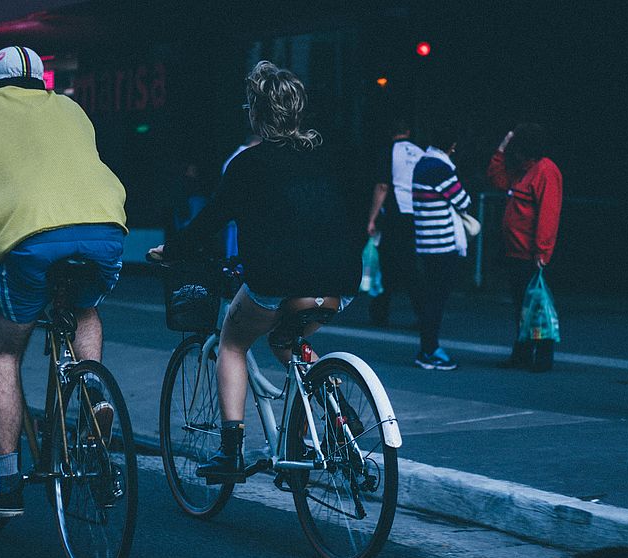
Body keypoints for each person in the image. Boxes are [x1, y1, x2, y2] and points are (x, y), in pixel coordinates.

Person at [148, 60, 361, 480]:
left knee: (232, 341)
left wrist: (171, 250)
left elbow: (211, 220)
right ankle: (337, 417)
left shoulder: (247, 163)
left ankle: (230, 451)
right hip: (338, 280)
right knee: (288, 344)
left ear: (256, 112)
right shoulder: (329, 154)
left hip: (277, 280)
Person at [0, 46, 128, 516]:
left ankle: (7, 481)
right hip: (104, 233)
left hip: (31, 240)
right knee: (85, 308)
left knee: (3, 351)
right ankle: (91, 395)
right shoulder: (70, 108)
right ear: (42, 81)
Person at [487, 122, 563, 372]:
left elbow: (548, 214)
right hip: (517, 252)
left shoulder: (545, 171)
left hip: (531, 255)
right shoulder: (524, 170)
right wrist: (502, 146)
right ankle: (522, 353)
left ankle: (540, 356)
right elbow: (496, 178)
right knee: (524, 306)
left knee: (536, 306)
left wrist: (542, 251)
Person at [410, 124, 472, 370]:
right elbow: (463, 201)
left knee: (430, 297)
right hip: (443, 244)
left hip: (425, 242)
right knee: (437, 299)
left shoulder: (421, 164)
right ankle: (430, 350)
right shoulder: (441, 168)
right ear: (452, 146)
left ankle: (428, 348)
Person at [365, 117, 424, 326]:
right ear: (408, 131)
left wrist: (371, 218)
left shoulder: (389, 152)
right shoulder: (420, 153)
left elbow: (382, 186)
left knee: (388, 265)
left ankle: (380, 312)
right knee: (412, 266)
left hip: (395, 213)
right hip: (418, 212)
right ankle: (422, 311)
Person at [221, 134, 262, 258]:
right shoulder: (244, 158)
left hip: (236, 212)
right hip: (240, 212)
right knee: (235, 248)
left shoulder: (236, 158)